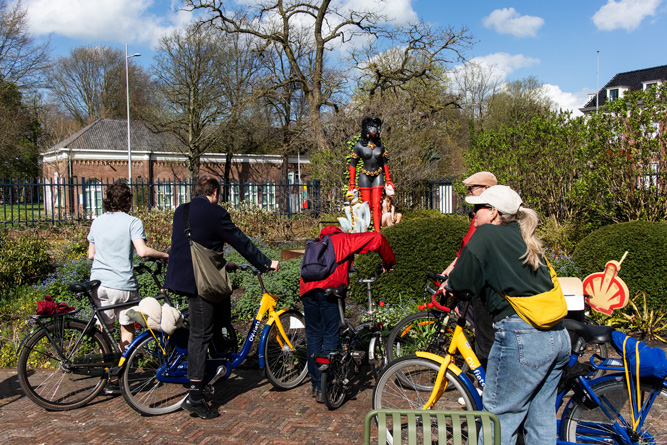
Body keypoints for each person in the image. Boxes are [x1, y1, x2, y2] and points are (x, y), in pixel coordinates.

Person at [448, 185, 570, 445]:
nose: (473, 215)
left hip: (522, 337)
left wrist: (450, 285)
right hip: (557, 336)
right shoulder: (523, 234)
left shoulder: (486, 234)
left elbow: (461, 283)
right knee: (541, 421)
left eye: (476, 208)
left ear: (493, 212)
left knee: (498, 420)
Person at [164, 176, 279, 419]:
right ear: (215, 192)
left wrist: (224, 263)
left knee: (212, 322)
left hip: (180, 278)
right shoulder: (215, 213)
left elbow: (196, 243)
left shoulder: (181, 211)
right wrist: (266, 263)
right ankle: (195, 397)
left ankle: (210, 368)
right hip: (201, 282)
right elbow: (241, 242)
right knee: (200, 334)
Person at [87, 182, 169, 394]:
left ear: (107, 200)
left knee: (103, 332)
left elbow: (91, 254)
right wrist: (164, 255)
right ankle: (118, 379)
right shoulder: (132, 222)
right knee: (126, 328)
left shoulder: (97, 222)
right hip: (122, 284)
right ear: (128, 201)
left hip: (99, 284)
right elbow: (141, 251)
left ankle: (106, 376)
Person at [300, 226, 396, 402]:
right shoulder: (342, 239)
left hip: (307, 291)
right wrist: (388, 263)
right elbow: (378, 238)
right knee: (331, 333)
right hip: (330, 291)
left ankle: (316, 385)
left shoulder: (314, 243)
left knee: (313, 335)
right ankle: (327, 385)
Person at [438, 171, 497, 371]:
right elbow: (465, 250)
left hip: (487, 288)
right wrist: (450, 271)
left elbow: (472, 253)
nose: (469, 192)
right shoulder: (481, 216)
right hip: (482, 283)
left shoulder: (488, 220)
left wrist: (453, 279)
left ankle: (486, 389)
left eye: (473, 188)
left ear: (487, 190)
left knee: (486, 339)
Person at [348, 116, 394, 232]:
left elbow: (384, 163)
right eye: (371, 127)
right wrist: (352, 183)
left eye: (376, 127)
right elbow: (353, 164)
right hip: (365, 176)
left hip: (378, 176)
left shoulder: (380, 146)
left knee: (377, 206)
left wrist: (388, 179)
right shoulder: (359, 146)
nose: (374, 130)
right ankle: (366, 232)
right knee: (366, 206)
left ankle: (377, 232)